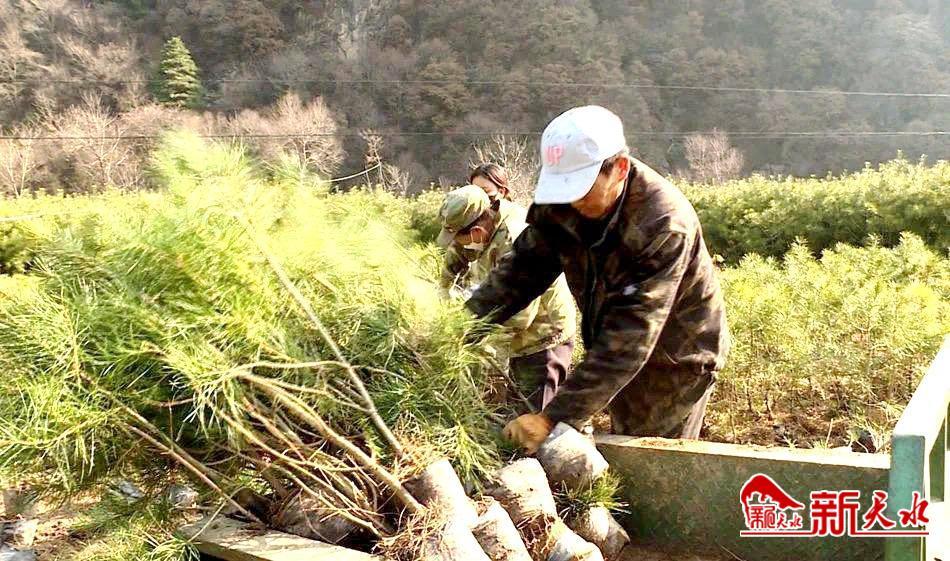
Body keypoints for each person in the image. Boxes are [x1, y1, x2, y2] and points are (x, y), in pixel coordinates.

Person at [465, 106, 730, 453]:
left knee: (648, 450)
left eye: (582, 188)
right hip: (614, 339)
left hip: (674, 359)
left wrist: (552, 417)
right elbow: (523, 269)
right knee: (618, 429)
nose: (572, 202)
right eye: (564, 188)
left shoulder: (663, 225)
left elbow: (632, 334)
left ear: (619, 169)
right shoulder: (564, 200)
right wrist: (463, 325)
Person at [437, 185, 576, 412]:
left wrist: (468, 338)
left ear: (476, 232)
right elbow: (456, 255)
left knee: (535, 416)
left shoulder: (514, 236)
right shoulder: (479, 224)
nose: (458, 245)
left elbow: (520, 316)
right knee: (515, 410)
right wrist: (443, 293)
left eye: (459, 238)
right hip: (516, 338)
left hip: (543, 337)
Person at [440, 163, 524, 295]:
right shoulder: (472, 217)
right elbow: (456, 254)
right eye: (475, 192)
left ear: (501, 192)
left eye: (484, 191)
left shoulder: (513, 232)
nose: (478, 199)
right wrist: (443, 291)